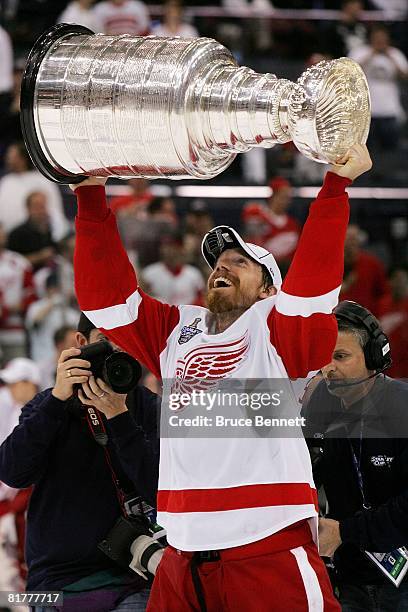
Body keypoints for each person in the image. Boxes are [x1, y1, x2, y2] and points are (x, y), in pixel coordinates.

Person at [72, 143, 373, 610]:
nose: (222, 266)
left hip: (267, 547)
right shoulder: (178, 327)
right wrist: (90, 196)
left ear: (269, 288)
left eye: (240, 261)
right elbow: (106, 301)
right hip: (182, 555)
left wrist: (335, 186)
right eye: (217, 262)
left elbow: (311, 291)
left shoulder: (274, 326)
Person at [0, 313, 160, 612]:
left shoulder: (148, 407)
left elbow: (163, 492)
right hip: (58, 583)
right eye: (105, 342)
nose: (116, 352)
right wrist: (58, 399)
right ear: (81, 344)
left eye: (126, 340)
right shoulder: (48, 404)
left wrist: (119, 418)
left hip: (135, 573)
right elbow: (12, 472)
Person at [302, 300, 408, 612]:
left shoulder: (402, 409)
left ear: (374, 357)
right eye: (323, 357)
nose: (328, 367)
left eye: (340, 356)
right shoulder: (318, 403)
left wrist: (346, 532)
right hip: (347, 576)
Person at [0, 358, 40, 595]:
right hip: (12, 500)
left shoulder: (42, 413)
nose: (11, 389)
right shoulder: (12, 411)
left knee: (25, 558)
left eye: (16, 383)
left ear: (29, 383)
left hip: (28, 498)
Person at [349, 25, 408, 151]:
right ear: (371, 38)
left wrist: (390, 57)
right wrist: (372, 53)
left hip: (389, 109)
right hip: (365, 110)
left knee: (390, 149)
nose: (380, 41)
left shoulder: (395, 54)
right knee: (365, 150)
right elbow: (350, 72)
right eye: (377, 38)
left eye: (383, 38)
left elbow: (404, 75)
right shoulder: (360, 51)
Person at [0, 142, 68, 240]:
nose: (8, 160)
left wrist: (57, 233)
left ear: (23, 158)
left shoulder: (41, 179)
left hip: (40, 236)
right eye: (8, 156)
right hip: (11, 238)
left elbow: (54, 208)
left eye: (12, 157)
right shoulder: (6, 181)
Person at [241, 176, 301, 267]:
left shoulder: (293, 224)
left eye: (288, 198)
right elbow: (250, 244)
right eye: (283, 197)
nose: (286, 201)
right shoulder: (258, 215)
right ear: (274, 195)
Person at [0, 222, 36, 362]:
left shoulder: (19, 262)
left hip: (14, 330)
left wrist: (14, 308)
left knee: (17, 372)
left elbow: (31, 294)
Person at [25, 272, 79, 362]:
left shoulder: (70, 312)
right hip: (42, 357)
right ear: (47, 289)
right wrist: (52, 303)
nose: (57, 291)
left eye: (59, 289)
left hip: (64, 358)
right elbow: (34, 322)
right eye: (54, 288)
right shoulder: (36, 307)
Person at [340, 224, 390, 317]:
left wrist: (376, 314)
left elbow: (384, 294)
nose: (351, 243)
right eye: (348, 238)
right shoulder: (330, 265)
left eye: (354, 239)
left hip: (365, 320)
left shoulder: (372, 264)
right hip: (338, 319)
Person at [142, 233, 205, 306]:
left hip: (187, 314)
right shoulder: (149, 273)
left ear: (181, 249)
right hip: (159, 314)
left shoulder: (193, 273)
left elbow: (201, 298)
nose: (169, 251)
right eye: (166, 246)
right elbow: (141, 299)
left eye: (173, 247)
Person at [7, 191, 56, 273]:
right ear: (28, 208)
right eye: (37, 206)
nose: (41, 210)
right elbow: (10, 262)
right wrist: (39, 257)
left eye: (43, 206)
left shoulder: (52, 229)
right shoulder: (17, 234)